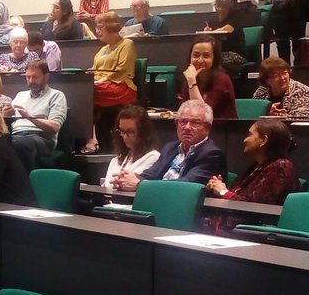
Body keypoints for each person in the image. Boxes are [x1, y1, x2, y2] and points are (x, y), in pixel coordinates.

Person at [205, 118, 300, 234]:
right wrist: (216, 189)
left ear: (264, 140)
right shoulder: (257, 167)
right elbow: (236, 198)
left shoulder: (281, 167)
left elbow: (254, 208)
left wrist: (223, 192)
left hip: (254, 233)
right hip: (235, 229)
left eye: (250, 135)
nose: (244, 140)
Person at [115, 99, 225, 189]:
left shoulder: (212, 154)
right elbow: (150, 174)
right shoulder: (170, 148)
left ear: (207, 128)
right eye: (183, 121)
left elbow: (186, 184)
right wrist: (126, 179)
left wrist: (141, 184)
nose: (187, 127)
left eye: (195, 123)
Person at [86, 10, 137, 152]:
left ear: (111, 26)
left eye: (100, 27)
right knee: (84, 90)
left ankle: (89, 138)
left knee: (88, 93)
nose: (97, 31)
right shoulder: (103, 49)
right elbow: (94, 68)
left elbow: (121, 70)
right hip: (100, 84)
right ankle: (89, 137)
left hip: (120, 86)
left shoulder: (127, 44)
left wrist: (99, 81)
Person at [5, 60, 67, 171]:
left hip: (41, 138)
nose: (31, 81)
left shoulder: (56, 95)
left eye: (35, 77)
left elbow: (54, 127)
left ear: (46, 77)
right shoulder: (20, 95)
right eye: (28, 77)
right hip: (16, 135)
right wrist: (5, 115)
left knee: (17, 143)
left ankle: (23, 183)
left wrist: (29, 117)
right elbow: (7, 121)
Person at [100, 105, 160, 191]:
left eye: (130, 132)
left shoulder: (153, 158)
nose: (124, 137)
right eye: (122, 131)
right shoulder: (117, 159)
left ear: (143, 133)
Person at [176, 36, 237, 120]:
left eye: (206, 56)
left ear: (214, 58)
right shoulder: (190, 79)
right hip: (197, 130)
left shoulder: (223, 80)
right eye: (196, 55)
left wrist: (192, 83)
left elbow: (202, 115)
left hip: (223, 131)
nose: (200, 60)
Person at [202, 0, 247, 71]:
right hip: (217, 53)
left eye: (223, 7)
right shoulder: (212, 19)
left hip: (235, 53)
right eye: (218, 5)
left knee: (215, 62)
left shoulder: (236, 16)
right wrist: (206, 32)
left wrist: (211, 33)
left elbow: (228, 28)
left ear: (230, 7)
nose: (220, 9)